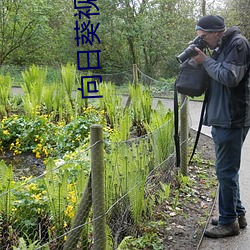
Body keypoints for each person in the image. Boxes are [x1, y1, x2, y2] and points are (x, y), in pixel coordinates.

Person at [192, 15, 250, 238]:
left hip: (232, 118)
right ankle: (237, 214)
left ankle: (228, 223)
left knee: (225, 171)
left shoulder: (238, 44)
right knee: (227, 171)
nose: (203, 41)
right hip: (222, 117)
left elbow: (229, 77)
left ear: (216, 32)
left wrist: (205, 61)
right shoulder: (221, 46)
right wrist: (202, 59)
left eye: (204, 37)